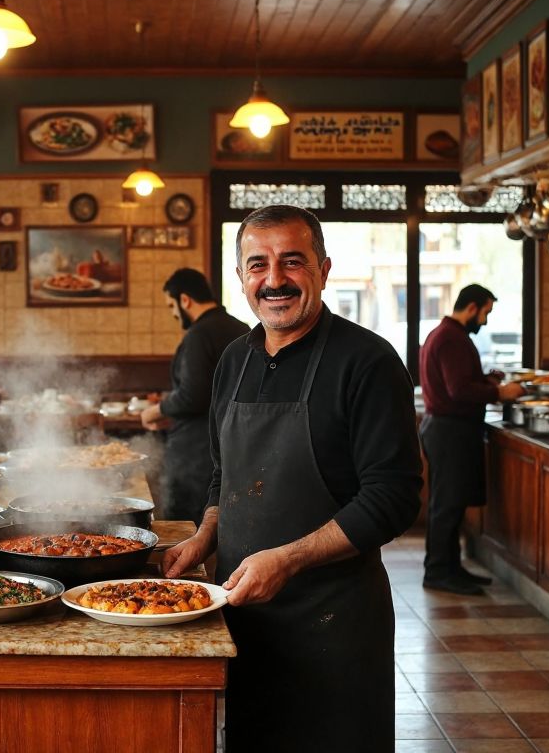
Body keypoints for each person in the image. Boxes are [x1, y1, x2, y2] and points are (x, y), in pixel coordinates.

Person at [162, 205, 421, 751]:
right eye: (258, 264)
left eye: (292, 261)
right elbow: (222, 474)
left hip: (333, 626)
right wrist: (206, 535)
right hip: (243, 619)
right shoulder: (234, 359)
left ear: (324, 269)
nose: (274, 279)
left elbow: (394, 498)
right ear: (240, 277)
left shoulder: (367, 362)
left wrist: (289, 558)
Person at [419, 285, 526, 596]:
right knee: (447, 506)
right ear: (472, 307)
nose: (486, 321)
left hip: (444, 429)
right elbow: (457, 390)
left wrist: (485, 380)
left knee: (448, 504)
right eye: (486, 312)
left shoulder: (445, 334)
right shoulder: (452, 338)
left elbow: (460, 382)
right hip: (449, 432)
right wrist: (499, 392)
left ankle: (450, 567)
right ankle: (439, 571)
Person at [140, 268, 248, 523]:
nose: (174, 314)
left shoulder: (199, 335)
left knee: (186, 529)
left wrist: (157, 410)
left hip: (195, 455)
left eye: (172, 306)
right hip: (233, 446)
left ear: (185, 300)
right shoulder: (240, 328)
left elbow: (193, 395)